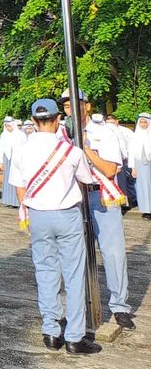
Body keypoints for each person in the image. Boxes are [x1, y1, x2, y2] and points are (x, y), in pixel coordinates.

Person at [10, 98, 100, 354]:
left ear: (34, 121)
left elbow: (19, 188)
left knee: (46, 272)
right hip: (67, 214)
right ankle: (74, 336)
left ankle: (51, 331)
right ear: (58, 119)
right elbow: (86, 179)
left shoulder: (22, 150)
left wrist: (29, 209)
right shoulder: (71, 151)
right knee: (73, 274)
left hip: (38, 214)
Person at [60, 89, 134, 329]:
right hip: (72, 199)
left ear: (87, 106)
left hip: (100, 197)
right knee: (73, 255)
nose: (71, 109)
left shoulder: (104, 133)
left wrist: (84, 147)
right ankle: (77, 305)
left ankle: (119, 306)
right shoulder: (59, 134)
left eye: (76, 104)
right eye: (67, 106)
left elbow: (111, 170)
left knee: (113, 253)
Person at [131, 113, 151, 220]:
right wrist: (133, 167)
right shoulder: (135, 136)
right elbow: (131, 153)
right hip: (139, 164)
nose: (143, 124)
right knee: (142, 187)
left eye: (145, 122)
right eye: (141, 122)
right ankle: (147, 210)